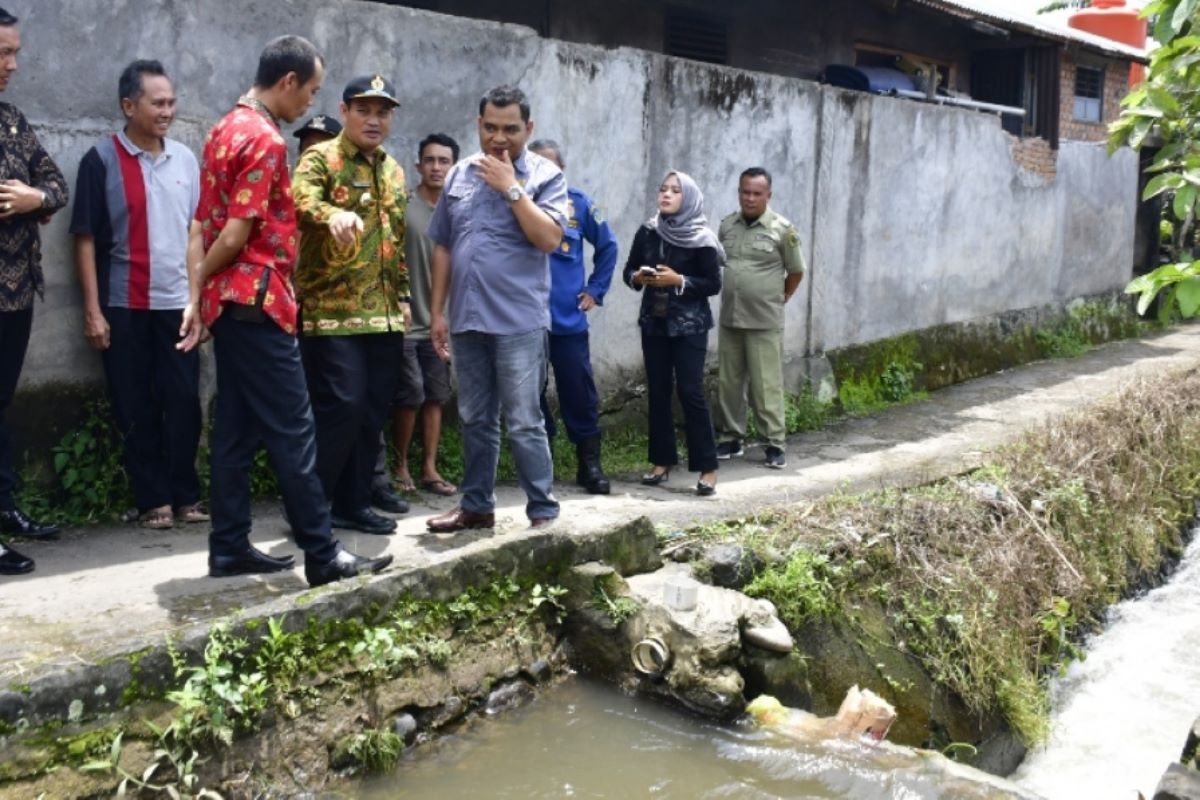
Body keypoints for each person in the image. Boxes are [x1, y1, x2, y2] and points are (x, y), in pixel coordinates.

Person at [178, 35, 391, 587]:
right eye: (312, 91)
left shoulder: (222, 130)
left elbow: (199, 225)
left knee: (235, 430)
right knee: (296, 430)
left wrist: (199, 295)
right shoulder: (265, 140)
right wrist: (201, 285)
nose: (308, 105)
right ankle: (322, 554)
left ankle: (228, 545)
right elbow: (234, 231)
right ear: (289, 82)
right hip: (258, 299)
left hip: (232, 303)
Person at [70, 59, 206, 530]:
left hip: (177, 306)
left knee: (184, 400)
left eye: (171, 102)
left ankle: (186, 494)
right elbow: (84, 238)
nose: (167, 110)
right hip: (123, 305)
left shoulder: (186, 160)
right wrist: (93, 311)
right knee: (135, 402)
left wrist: (199, 299)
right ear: (129, 105)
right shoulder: (101, 160)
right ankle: (154, 500)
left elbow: (197, 235)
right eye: (157, 102)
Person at [426, 86, 567, 532]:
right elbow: (445, 246)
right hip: (467, 316)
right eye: (490, 128)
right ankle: (476, 506)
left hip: (518, 322)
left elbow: (549, 240)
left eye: (510, 129)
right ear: (479, 125)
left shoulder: (546, 176)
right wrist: (437, 312)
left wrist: (511, 189)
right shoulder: (459, 174)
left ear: (528, 128)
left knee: (525, 420)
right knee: (474, 417)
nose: (499, 138)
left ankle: (542, 510)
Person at [292, 74, 410, 533]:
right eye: (364, 110)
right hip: (331, 311)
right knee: (340, 406)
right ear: (344, 113)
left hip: (383, 316)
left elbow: (395, 242)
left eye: (382, 112)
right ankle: (309, 508)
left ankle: (353, 502)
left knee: (370, 411)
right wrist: (331, 214)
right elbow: (299, 201)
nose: (373, 120)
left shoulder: (394, 170)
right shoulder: (321, 158)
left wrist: (403, 297)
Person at [0, 6, 68, 573]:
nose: (13, 65)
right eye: (4, 52)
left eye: (16, 53)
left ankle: (4, 510)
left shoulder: (13, 121)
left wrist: (34, 201)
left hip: (15, 292)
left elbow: (55, 183)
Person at [623, 170, 722, 496]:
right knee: (658, 391)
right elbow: (629, 271)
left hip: (690, 327)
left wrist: (678, 281)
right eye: (663, 189)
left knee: (691, 391)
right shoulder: (648, 232)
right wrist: (640, 277)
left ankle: (707, 468)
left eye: (675, 191)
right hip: (655, 323)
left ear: (688, 198)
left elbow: (713, 284)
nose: (666, 195)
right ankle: (661, 462)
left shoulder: (702, 237)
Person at [528, 139, 617, 496]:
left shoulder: (578, 204)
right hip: (526, 319)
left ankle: (589, 464)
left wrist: (595, 290)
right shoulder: (518, 204)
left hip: (567, 320)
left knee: (578, 391)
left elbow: (608, 246)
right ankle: (539, 462)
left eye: (550, 167)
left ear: (561, 171)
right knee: (529, 393)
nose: (543, 173)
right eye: (536, 166)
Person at [381, 132, 459, 498]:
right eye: (430, 160)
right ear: (418, 165)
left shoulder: (458, 212)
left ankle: (429, 467)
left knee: (436, 395)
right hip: (405, 321)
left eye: (444, 161)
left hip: (440, 323)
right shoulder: (403, 206)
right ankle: (399, 466)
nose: (436, 167)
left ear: (453, 167)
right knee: (409, 393)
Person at [714, 167, 804, 469]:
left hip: (763, 320)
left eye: (756, 193)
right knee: (728, 381)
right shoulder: (727, 226)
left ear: (768, 195)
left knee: (766, 385)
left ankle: (774, 443)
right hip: (730, 318)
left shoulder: (782, 230)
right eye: (745, 192)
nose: (749, 198)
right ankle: (731, 437)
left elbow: (796, 271)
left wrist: (783, 296)